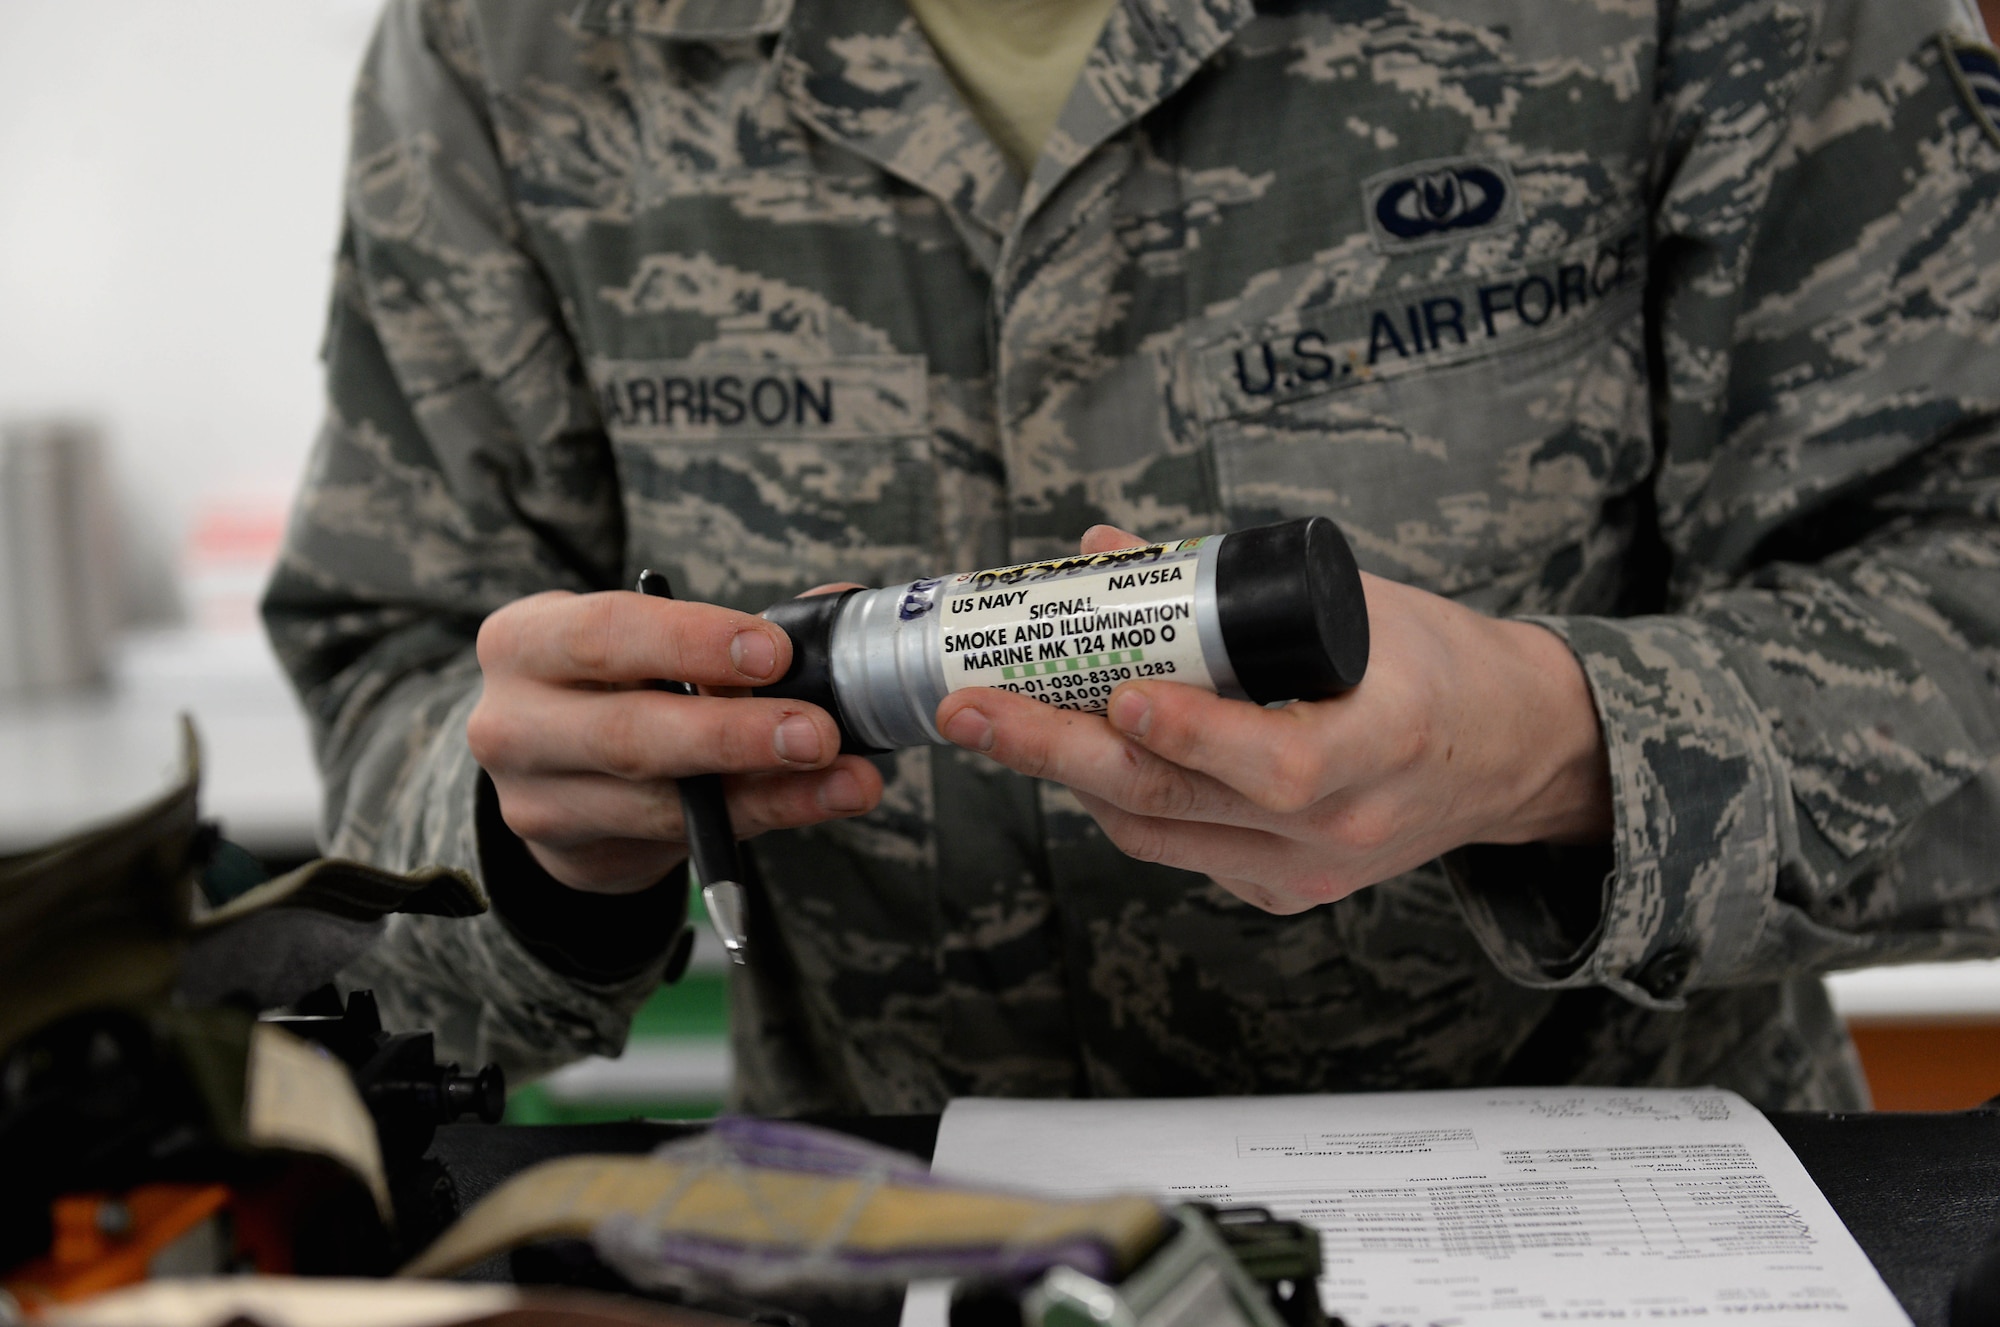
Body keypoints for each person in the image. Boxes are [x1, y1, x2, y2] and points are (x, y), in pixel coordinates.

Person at [264, 0, 2000, 1115]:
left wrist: (1554, 741)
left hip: (1625, 1243)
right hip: (890, 1254)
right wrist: (534, 831)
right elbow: (395, 698)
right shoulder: (511, 44)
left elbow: (1970, 611)